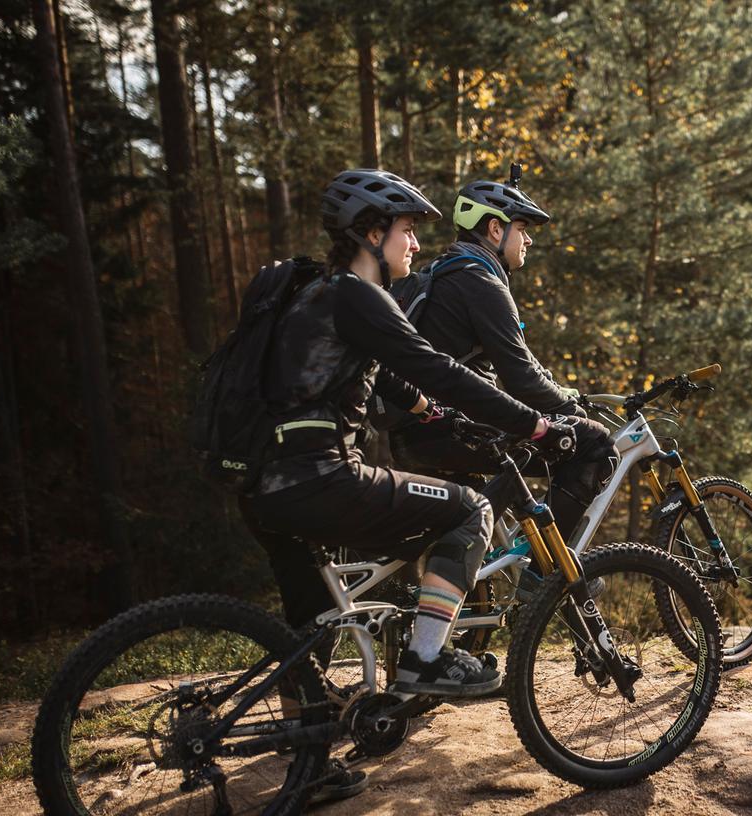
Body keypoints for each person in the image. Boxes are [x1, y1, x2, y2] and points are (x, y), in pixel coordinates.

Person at [238, 169, 575, 799]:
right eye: (407, 230)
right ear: (373, 231)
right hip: (319, 475)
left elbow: (394, 377)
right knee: (470, 510)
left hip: (264, 485)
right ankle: (425, 658)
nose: (416, 245)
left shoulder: (319, 294)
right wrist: (531, 423)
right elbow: (435, 366)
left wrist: (433, 415)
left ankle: (309, 770)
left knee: (307, 624)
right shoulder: (359, 295)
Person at [389, 169, 617, 544]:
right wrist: (574, 413)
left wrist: (561, 393)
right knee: (595, 444)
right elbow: (522, 378)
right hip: (454, 431)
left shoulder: (444, 273)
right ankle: (547, 577)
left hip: (417, 432)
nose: (528, 239)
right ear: (496, 229)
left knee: (473, 532)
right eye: (523, 228)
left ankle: (478, 590)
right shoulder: (480, 281)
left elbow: (517, 361)